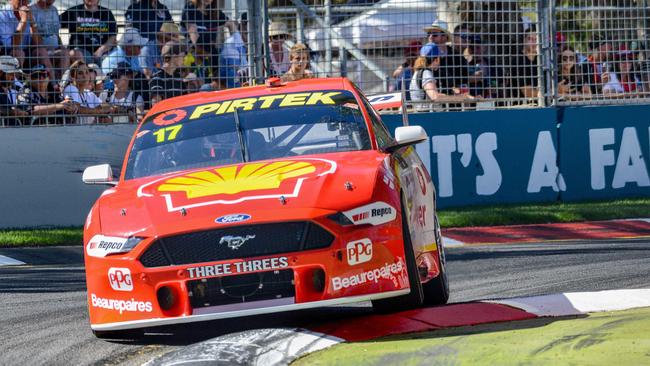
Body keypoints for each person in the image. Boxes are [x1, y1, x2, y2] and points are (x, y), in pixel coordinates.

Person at [409, 43, 474, 108]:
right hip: (428, 115)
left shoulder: (419, 72)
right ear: (436, 59)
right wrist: (461, 98)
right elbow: (435, 97)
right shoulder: (426, 73)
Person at [0, 0, 52, 71]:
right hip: (8, 53)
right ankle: (16, 81)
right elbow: (12, 46)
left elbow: (39, 44)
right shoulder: (3, 15)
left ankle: (54, 82)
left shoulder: (29, 12)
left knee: (42, 51)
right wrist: (23, 21)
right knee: (19, 53)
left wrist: (32, 22)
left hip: (27, 53)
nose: (24, 2)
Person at [60, 0, 117, 64]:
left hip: (102, 52)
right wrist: (61, 45)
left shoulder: (107, 13)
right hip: (80, 51)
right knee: (75, 54)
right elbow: (55, 25)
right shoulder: (73, 11)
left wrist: (101, 50)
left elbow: (113, 36)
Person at [424, 20, 469, 95]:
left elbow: (464, 80)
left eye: (434, 34)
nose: (430, 37)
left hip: (454, 100)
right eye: (429, 34)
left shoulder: (457, 57)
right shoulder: (425, 56)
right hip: (433, 99)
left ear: (445, 37)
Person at [30, 0, 69, 78]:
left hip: (54, 50)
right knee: (43, 53)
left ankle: (61, 82)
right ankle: (54, 84)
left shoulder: (54, 10)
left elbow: (56, 34)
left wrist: (61, 46)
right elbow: (32, 36)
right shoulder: (31, 10)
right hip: (37, 51)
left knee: (65, 53)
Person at [219, 13, 248, 88]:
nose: (248, 28)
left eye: (251, 25)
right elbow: (233, 74)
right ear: (240, 25)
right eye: (245, 24)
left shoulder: (256, 44)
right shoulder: (232, 43)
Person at [509, 29, 539, 99]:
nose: (533, 42)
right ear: (524, 40)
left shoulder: (540, 60)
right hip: (523, 105)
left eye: (536, 39)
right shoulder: (518, 60)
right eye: (530, 39)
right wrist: (553, 92)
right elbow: (528, 93)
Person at [0, 55, 27, 125]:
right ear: (0, 72)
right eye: (11, 74)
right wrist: (11, 112)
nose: (14, 77)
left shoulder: (13, 89)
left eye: (15, 73)